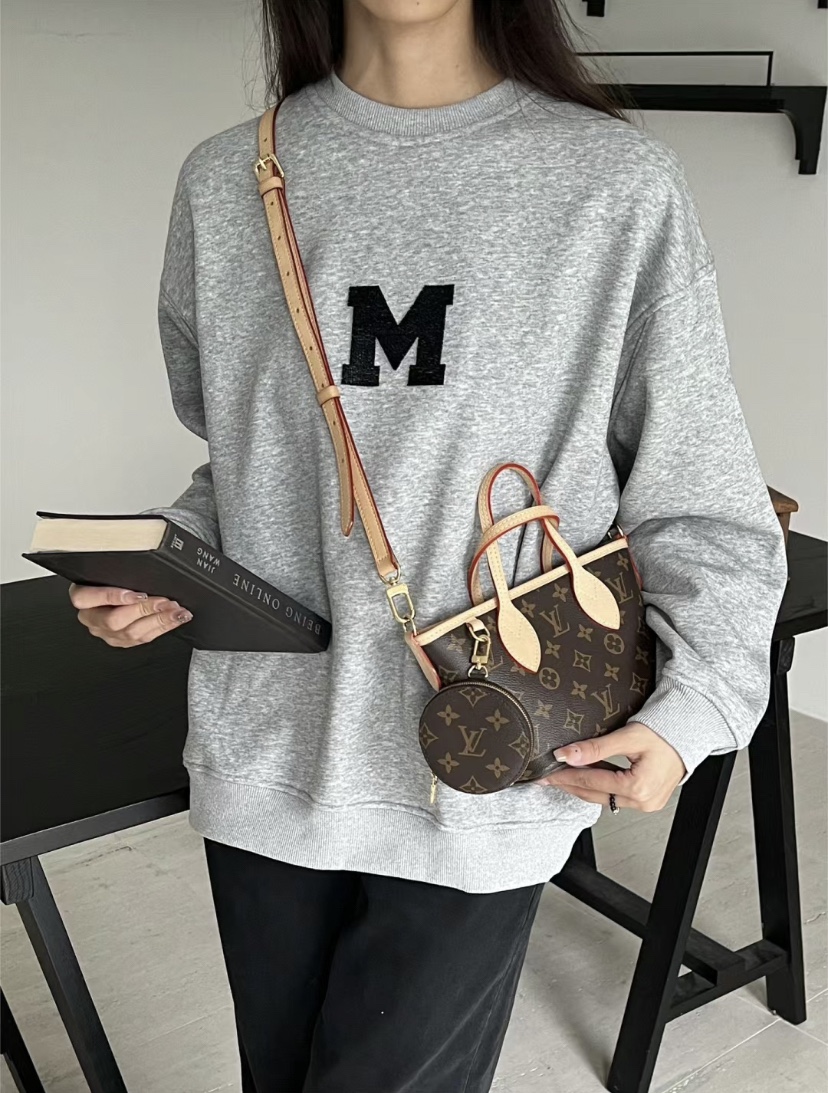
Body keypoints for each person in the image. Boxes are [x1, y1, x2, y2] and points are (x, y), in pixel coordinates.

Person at [69, 1, 789, 1090]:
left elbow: (700, 496)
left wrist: (695, 712)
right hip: (266, 755)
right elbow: (250, 461)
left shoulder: (612, 184)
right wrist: (179, 562)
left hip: (492, 761)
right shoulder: (225, 182)